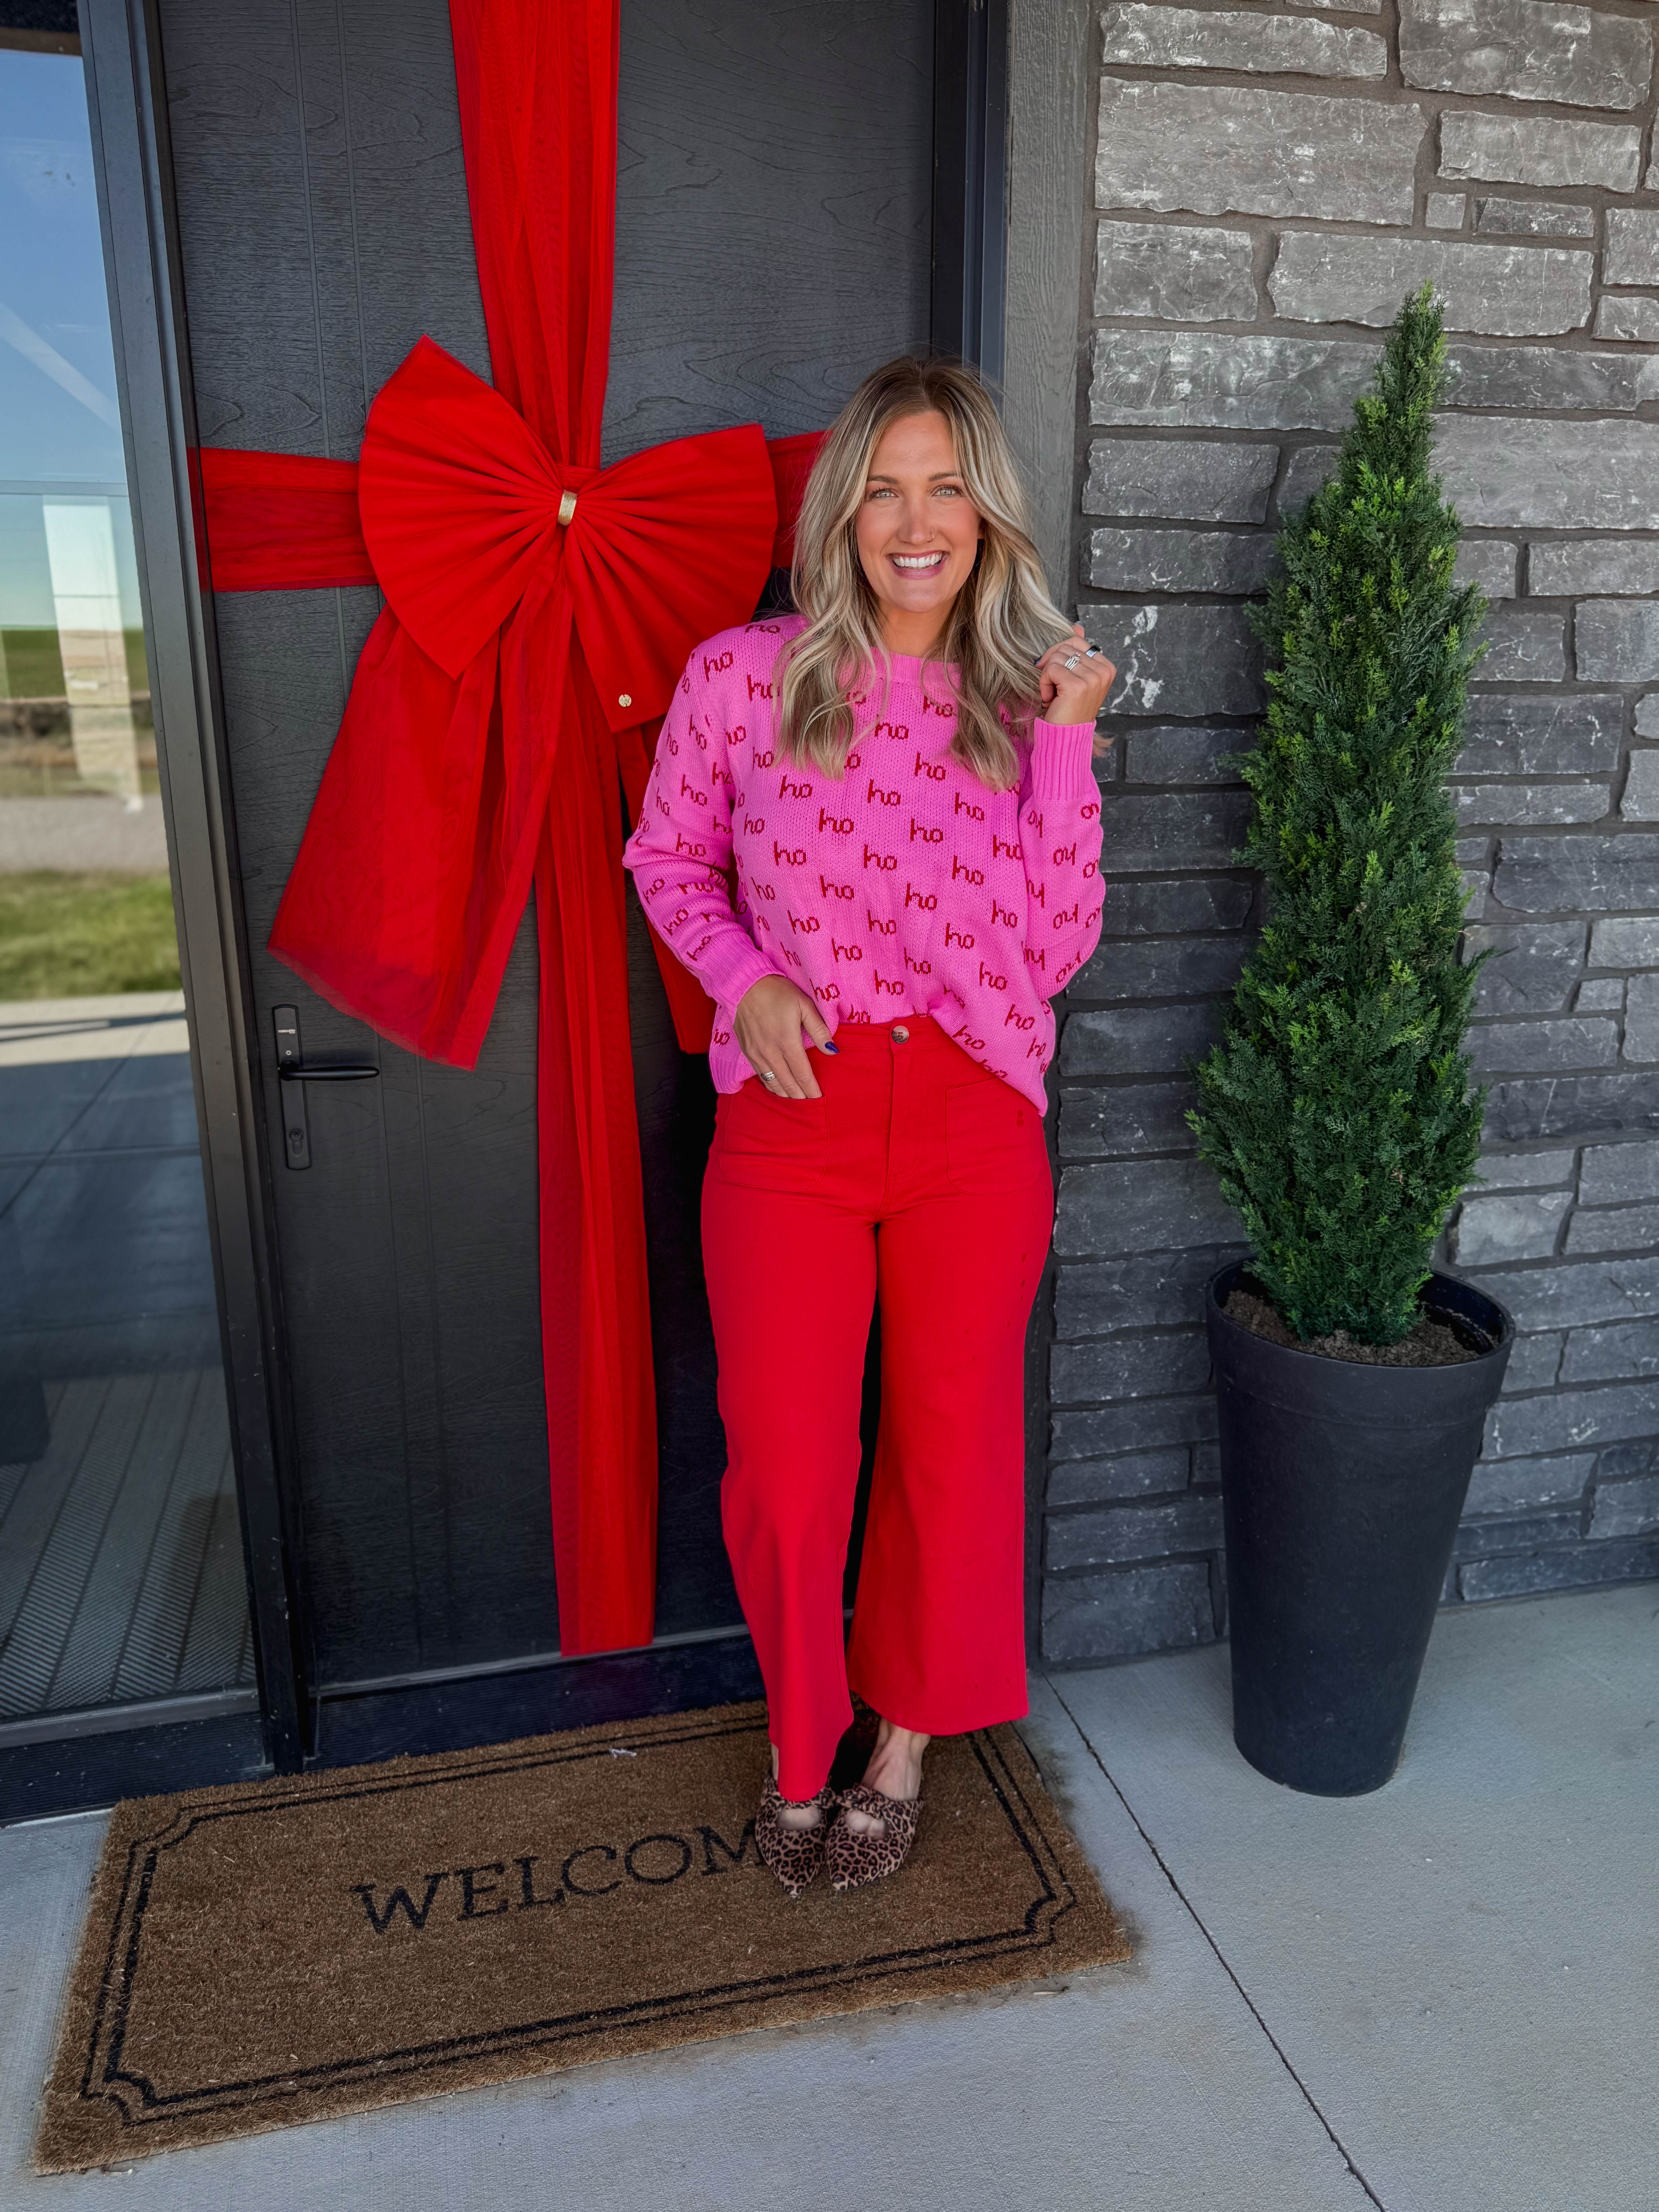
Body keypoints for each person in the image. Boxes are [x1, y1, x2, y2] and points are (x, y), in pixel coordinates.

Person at [622, 356, 1112, 1896]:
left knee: (948, 1448)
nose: (915, 522)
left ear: (986, 516)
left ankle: (898, 1747)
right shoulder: (743, 678)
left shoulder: (1025, 700)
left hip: (972, 1114)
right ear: (841, 513)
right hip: (796, 1113)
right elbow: (667, 861)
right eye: (885, 489)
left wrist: (1070, 743)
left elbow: (1058, 945)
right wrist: (744, 979)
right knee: (785, 1463)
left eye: (946, 488)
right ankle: (800, 1739)